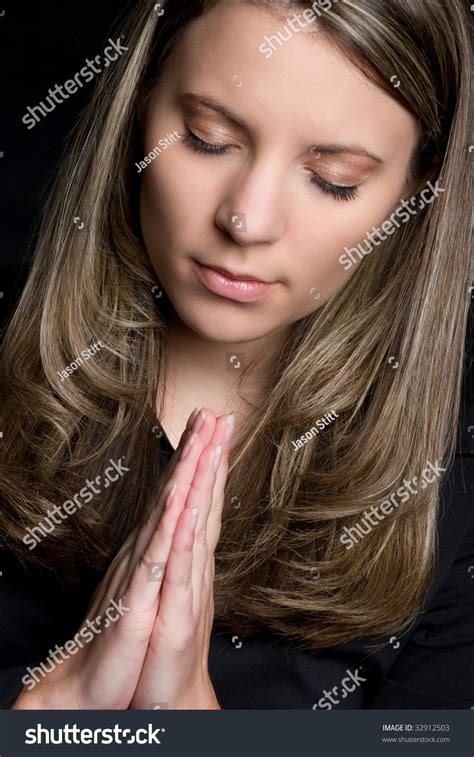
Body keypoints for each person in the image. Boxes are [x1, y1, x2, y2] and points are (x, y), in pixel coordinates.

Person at [0, 0, 472, 709]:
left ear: (419, 186)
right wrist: (41, 714)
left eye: (333, 177)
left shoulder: (455, 479)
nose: (246, 219)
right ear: (140, 102)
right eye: (207, 138)